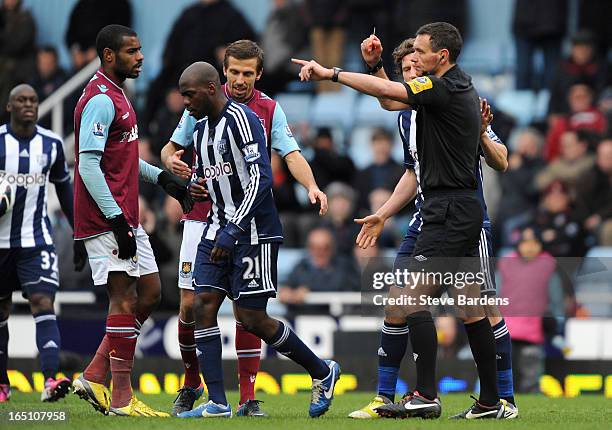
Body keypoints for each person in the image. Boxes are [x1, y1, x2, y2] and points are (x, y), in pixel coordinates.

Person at [293, 22, 511, 419]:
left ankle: (426, 394)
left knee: (410, 297)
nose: (415, 59)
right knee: (469, 306)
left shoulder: (442, 88)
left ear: (440, 57)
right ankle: (491, 403)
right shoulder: (454, 86)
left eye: (421, 53)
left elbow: (391, 93)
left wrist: (332, 74)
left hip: (448, 210)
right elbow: (394, 101)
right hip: (455, 208)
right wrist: (376, 67)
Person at [160, 40, 328, 417]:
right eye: (233, 72)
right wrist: (179, 171)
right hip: (204, 218)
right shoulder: (199, 110)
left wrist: (312, 186)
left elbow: (285, 156)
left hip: (249, 225)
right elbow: (171, 150)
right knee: (193, 304)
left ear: (258, 74)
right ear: (221, 75)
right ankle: (198, 388)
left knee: (247, 314)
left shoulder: (262, 111)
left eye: (247, 73)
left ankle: (248, 395)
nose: (239, 80)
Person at [71, 24, 191, 417]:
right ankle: (121, 398)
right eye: (132, 51)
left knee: (152, 292)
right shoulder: (100, 100)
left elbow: (120, 158)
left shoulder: (118, 94)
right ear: (109, 55)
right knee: (122, 298)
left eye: (140, 50)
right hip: (109, 217)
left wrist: (162, 177)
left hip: (125, 215)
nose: (140, 57)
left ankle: (93, 374)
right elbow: (87, 165)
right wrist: (115, 220)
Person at [0, 84, 83, 403]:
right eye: (21, 100)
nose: (28, 105)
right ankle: (2, 385)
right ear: (10, 107)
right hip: (1, 244)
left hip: (36, 240)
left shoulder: (50, 144)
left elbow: (64, 191)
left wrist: (79, 234)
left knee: (43, 303)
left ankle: (50, 380)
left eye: (33, 100)